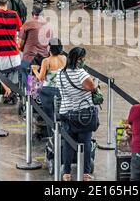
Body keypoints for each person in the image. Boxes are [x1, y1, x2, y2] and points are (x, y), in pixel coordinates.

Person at [57, 47, 99, 182]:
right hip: (83, 115)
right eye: (82, 58)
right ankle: (86, 173)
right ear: (78, 59)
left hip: (66, 113)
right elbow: (92, 87)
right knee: (86, 143)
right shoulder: (82, 73)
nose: (84, 61)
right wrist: (96, 83)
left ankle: (67, 173)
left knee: (69, 143)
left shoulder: (60, 74)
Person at [0, 0, 23, 98]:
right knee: (16, 72)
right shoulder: (14, 14)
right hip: (13, 50)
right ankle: (13, 91)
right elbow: (20, 30)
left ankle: (8, 90)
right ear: (7, 3)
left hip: (0, 51)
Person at [32, 38, 66, 122]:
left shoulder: (46, 61)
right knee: (61, 113)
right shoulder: (64, 58)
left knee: (49, 115)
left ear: (49, 48)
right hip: (61, 89)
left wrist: (35, 70)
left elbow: (41, 78)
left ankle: (51, 133)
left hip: (47, 90)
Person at [19, 4, 53, 69]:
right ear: (43, 14)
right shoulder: (49, 26)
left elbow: (20, 45)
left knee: (27, 78)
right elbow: (50, 45)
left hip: (29, 59)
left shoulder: (27, 24)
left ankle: (29, 79)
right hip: (43, 60)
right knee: (40, 78)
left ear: (32, 13)